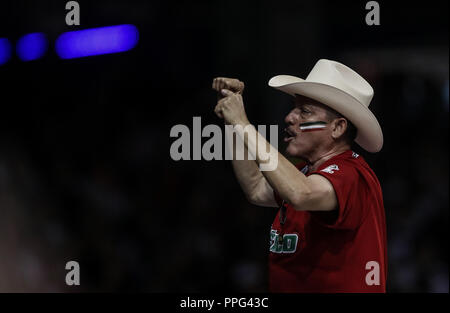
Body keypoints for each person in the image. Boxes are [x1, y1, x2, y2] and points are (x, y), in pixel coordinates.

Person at [211, 59, 387, 292]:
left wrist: (243, 123)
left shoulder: (351, 174)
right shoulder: (305, 172)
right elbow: (255, 187)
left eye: (304, 111)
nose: (290, 117)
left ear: (337, 127)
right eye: (294, 108)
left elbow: (300, 193)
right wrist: (232, 120)